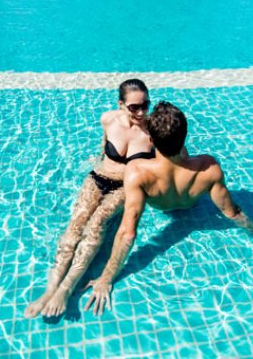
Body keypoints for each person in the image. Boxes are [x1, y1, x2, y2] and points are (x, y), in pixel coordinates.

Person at [84, 101, 253, 316]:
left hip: (160, 203)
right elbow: (233, 212)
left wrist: (106, 278)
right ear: (185, 135)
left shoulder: (137, 171)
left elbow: (128, 232)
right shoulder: (208, 167)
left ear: (150, 139)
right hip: (190, 201)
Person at [24, 79, 155, 318]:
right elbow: (104, 145)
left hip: (124, 186)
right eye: (134, 107)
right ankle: (49, 290)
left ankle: (66, 288)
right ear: (121, 104)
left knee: (96, 224)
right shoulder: (108, 119)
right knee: (75, 224)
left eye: (145, 105)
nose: (141, 112)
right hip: (97, 177)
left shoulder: (152, 131)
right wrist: (95, 160)